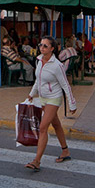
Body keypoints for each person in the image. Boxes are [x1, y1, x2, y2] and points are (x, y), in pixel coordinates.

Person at [25, 36, 77, 172]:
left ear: (52, 49)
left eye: (45, 46)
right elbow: (38, 80)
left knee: (43, 127)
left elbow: (65, 85)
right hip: (43, 98)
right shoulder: (39, 61)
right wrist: (31, 94)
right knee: (56, 124)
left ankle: (37, 161)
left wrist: (72, 104)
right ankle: (65, 151)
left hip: (54, 98)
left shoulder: (57, 65)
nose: (41, 48)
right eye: (40, 45)